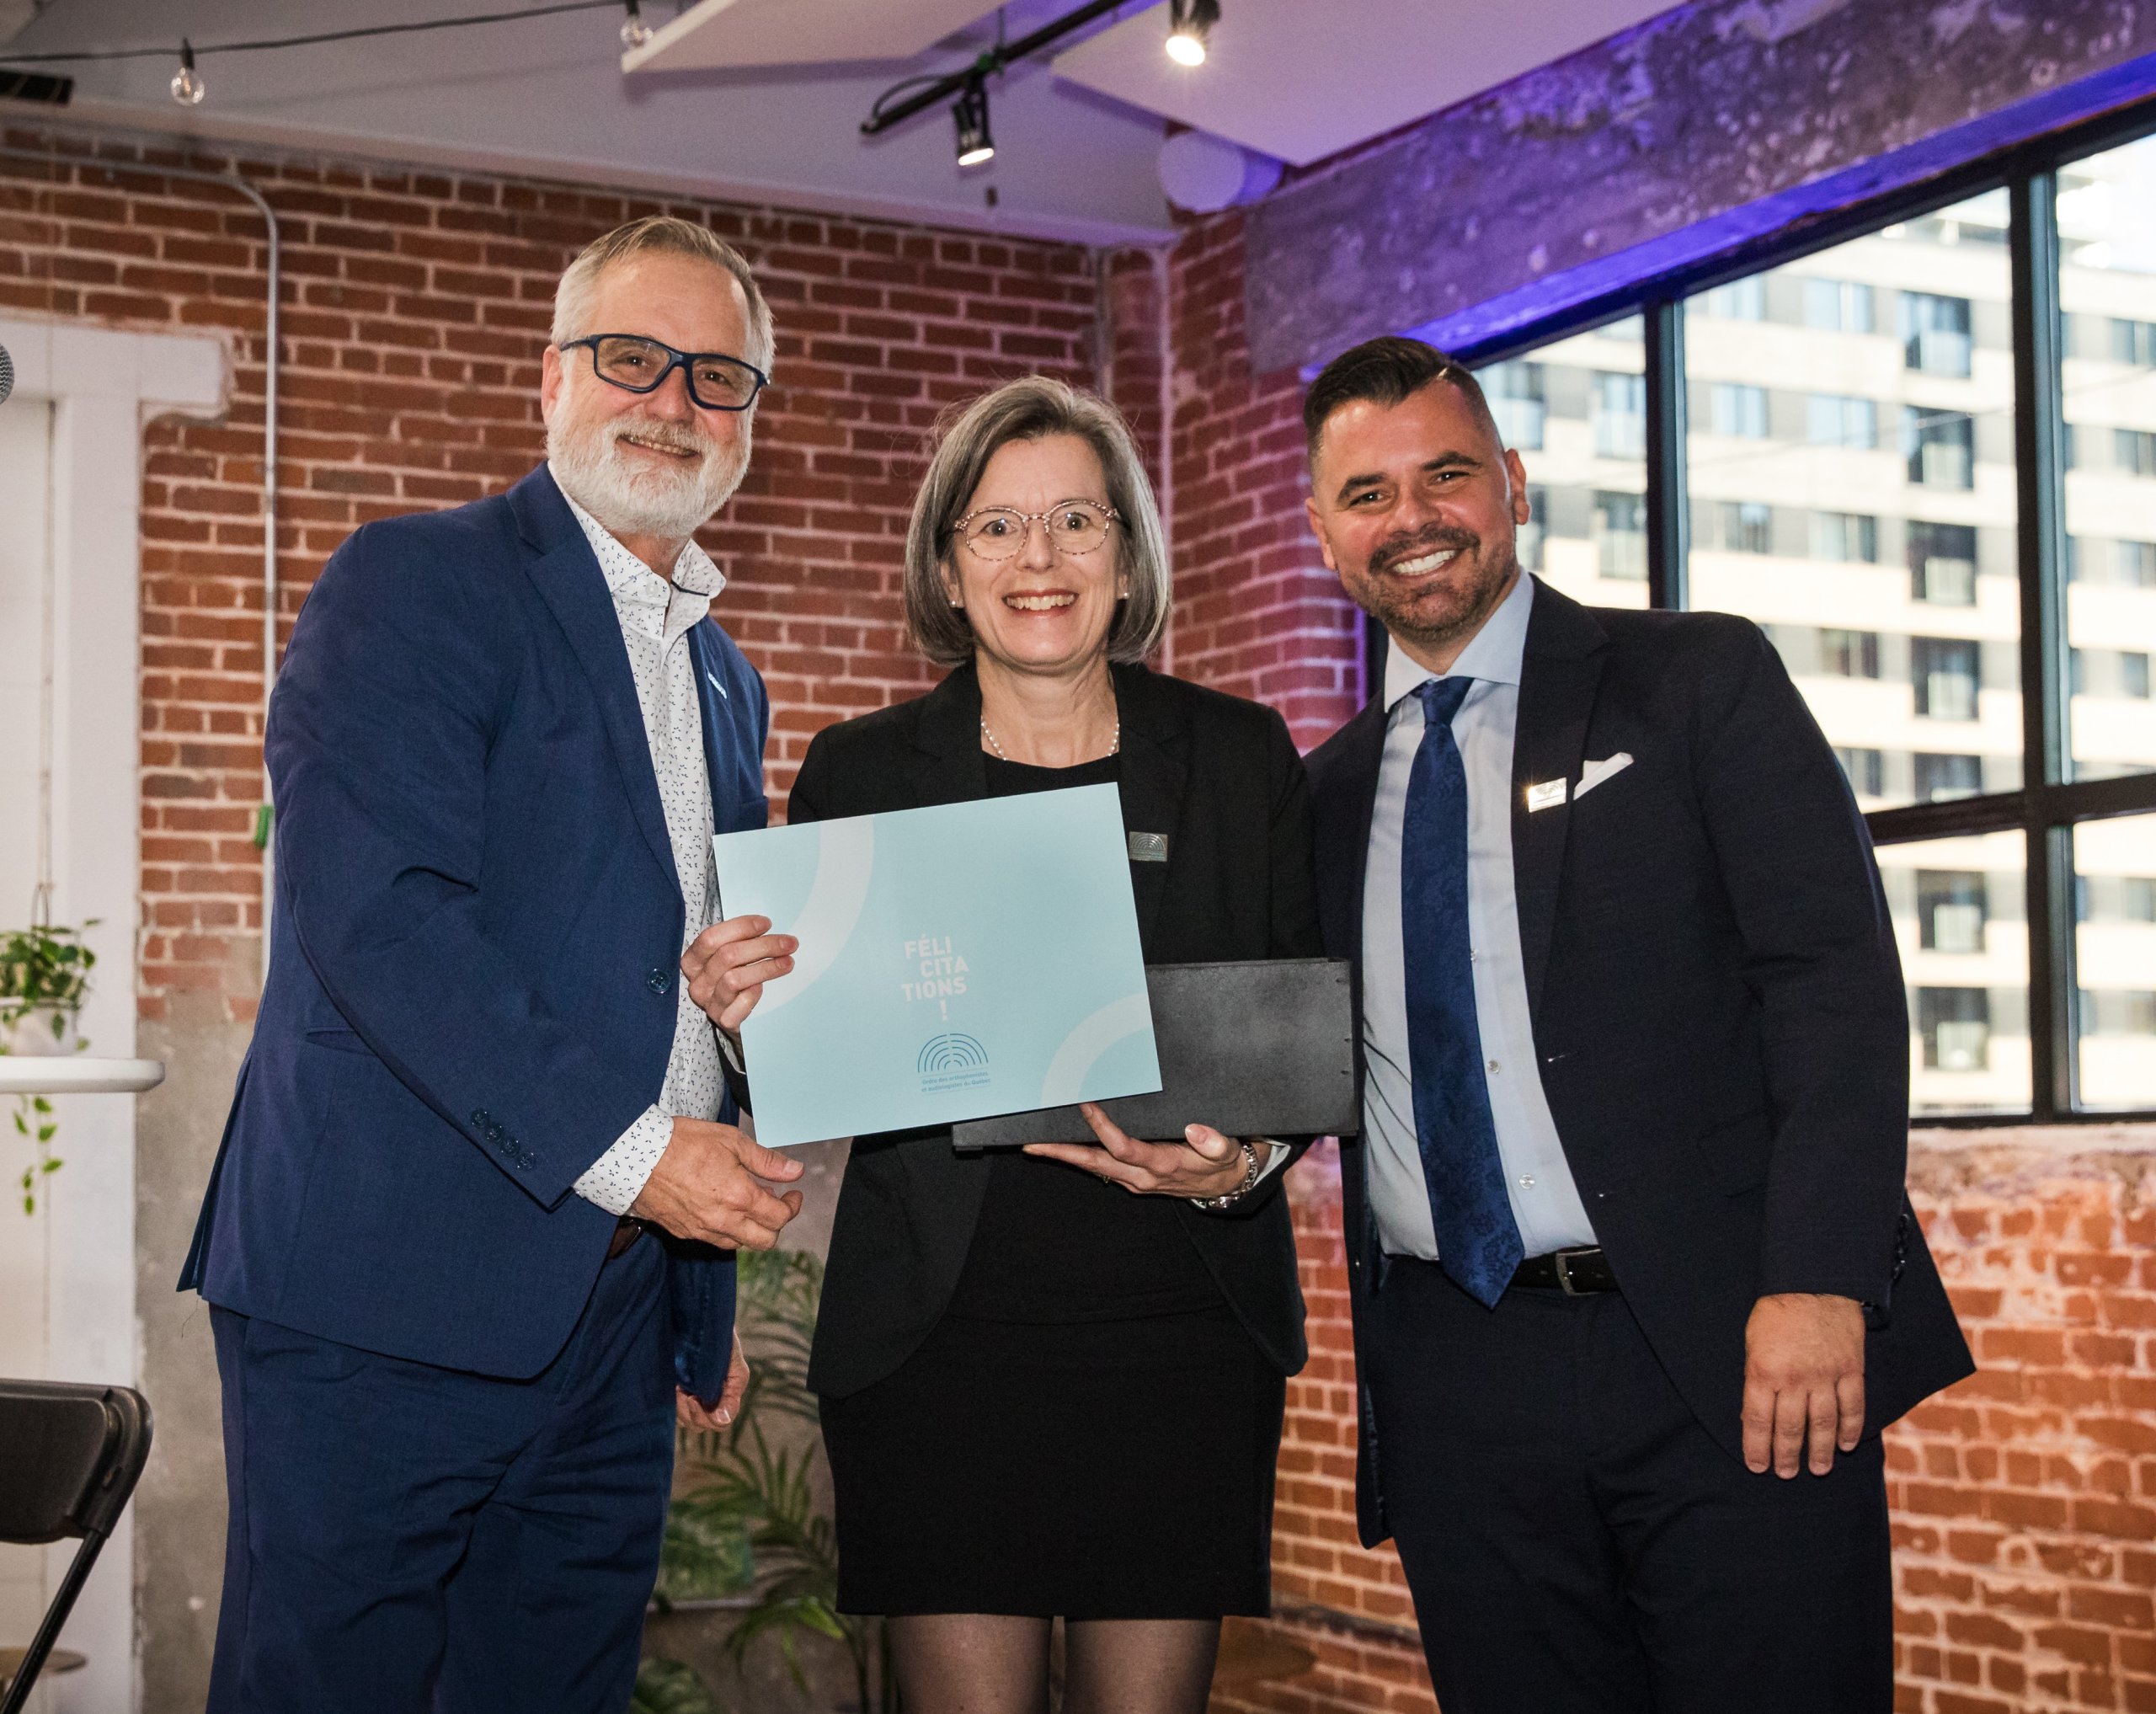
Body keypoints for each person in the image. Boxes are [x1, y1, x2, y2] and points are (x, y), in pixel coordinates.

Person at [179, 216, 809, 1713]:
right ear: (550, 381)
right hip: (377, 1302)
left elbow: (673, 990)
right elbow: (377, 914)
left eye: (718, 376)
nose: (673, 400)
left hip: (604, 1317)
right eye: (632, 358)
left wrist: (693, 1299)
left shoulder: (728, 677)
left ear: (750, 421)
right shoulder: (416, 582)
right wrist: (641, 1154)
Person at [1298, 336, 1973, 1713]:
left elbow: (1832, 977)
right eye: (1367, 494)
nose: (1412, 519)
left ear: (1516, 485)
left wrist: (1822, 1278)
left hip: (1729, 1346)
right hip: (1456, 1377)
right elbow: (1295, 1054)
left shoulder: (1695, 682)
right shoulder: (1320, 792)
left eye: (1447, 474)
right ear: (1323, 533)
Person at [682, 376, 1320, 1714]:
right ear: (947, 568)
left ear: (1129, 557)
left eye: (1077, 521)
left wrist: (1245, 1163)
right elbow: (813, 1055)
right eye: (997, 528)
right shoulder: (859, 771)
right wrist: (740, 1011)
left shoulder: (1242, 756)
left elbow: (1300, 1042)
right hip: (938, 1347)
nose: (1040, 560)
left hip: (1178, 1337)